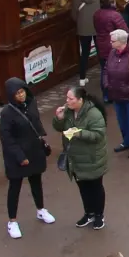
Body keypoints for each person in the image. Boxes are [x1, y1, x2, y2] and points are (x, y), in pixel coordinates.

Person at [0, 78, 54, 240]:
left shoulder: (31, 103)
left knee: (36, 181)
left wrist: (43, 138)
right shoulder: (7, 113)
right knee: (15, 187)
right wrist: (20, 156)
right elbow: (7, 138)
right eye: (17, 93)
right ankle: (12, 221)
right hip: (17, 156)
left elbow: (36, 123)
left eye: (22, 91)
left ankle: (41, 209)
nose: (21, 95)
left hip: (34, 151)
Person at [53, 86, 109, 230]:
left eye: (70, 99)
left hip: (92, 159)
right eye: (67, 98)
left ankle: (99, 215)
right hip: (75, 159)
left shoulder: (94, 114)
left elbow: (98, 135)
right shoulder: (68, 112)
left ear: (80, 100)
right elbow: (59, 127)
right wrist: (58, 119)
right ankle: (88, 213)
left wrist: (79, 133)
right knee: (83, 188)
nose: (67, 101)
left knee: (96, 188)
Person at [102, 30, 129, 158]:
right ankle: (126, 142)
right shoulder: (112, 53)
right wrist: (106, 84)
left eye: (112, 41)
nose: (110, 43)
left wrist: (128, 88)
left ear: (121, 42)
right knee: (122, 121)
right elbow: (105, 70)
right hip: (116, 94)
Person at [72, 0, 101, 85]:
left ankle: (82, 79)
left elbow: (74, 16)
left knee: (84, 53)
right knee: (101, 52)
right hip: (97, 27)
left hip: (83, 29)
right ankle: (105, 74)